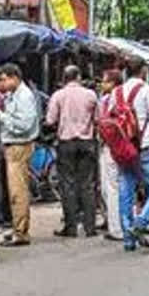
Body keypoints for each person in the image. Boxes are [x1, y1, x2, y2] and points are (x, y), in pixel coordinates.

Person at [110, 59, 149, 252]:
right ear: (144, 71)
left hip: (123, 149)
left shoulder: (116, 92)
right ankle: (141, 222)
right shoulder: (147, 91)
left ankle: (128, 239)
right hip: (145, 147)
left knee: (126, 191)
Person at [45, 65, 99, 238]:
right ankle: (90, 227)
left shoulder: (58, 95)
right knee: (88, 184)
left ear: (64, 78)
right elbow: (98, 119)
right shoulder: (91, 95)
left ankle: (71, 227)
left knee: (67, 185)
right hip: (87, 142)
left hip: (66, 143)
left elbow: (50, 120)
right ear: (78, 77)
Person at [0, 64, 40, 247]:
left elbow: (25, 125)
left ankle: (21, 233)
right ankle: (17, 228)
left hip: (19, 146)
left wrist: (2, 117)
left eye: (4, 79)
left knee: (18, 191)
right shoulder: (13, 95)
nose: (2, 83)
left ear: (14, 77)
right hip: (13, 145)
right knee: (15, 189)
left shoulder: (24, 96)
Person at [98, 69, 124, 241]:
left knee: (112, 187)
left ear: (112, 83)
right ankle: (121, 223)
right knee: (120, 185)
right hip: (122, 146)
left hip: (111, 146)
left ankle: (116, 228)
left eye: (105, 81)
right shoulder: (123, 96)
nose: (102, 84)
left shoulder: (109, 99)